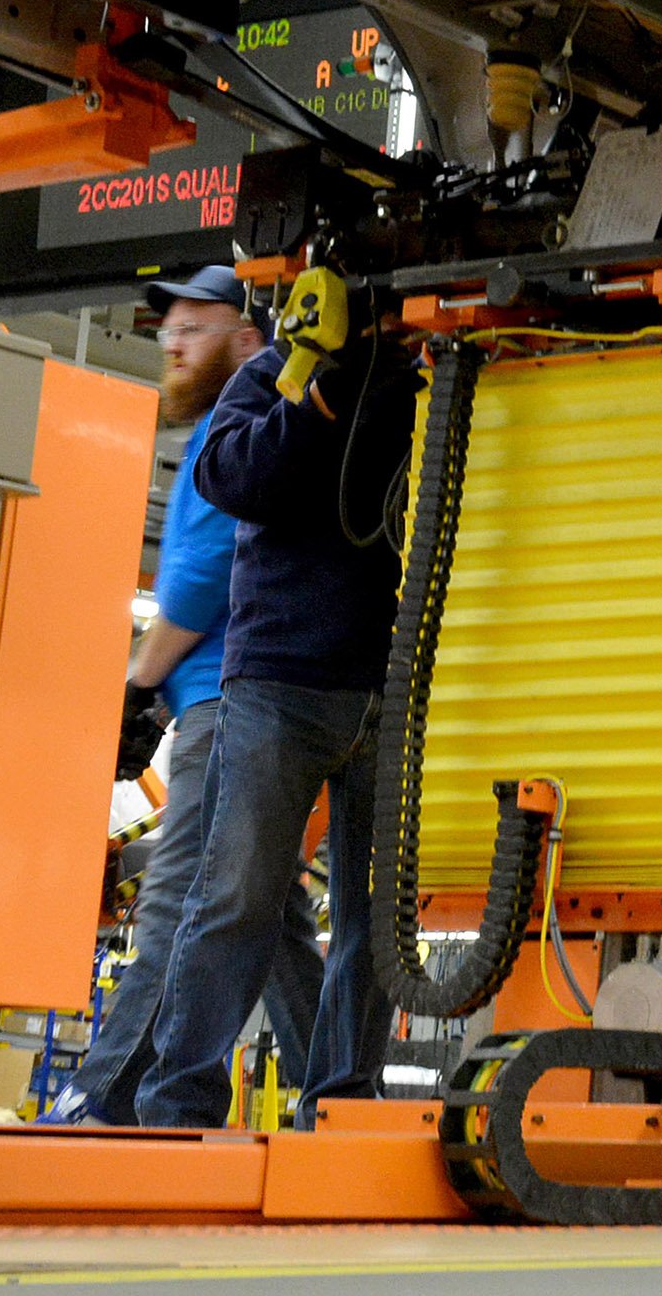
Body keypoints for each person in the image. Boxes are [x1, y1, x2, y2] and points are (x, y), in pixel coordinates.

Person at [47, 269, 323, 1126]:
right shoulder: (223, 436)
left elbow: (203, 586)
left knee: (181, 902)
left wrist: (134, 683)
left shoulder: (226, 444)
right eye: (167, 328)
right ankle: (346, 1092)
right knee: (274, 924)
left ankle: (103, 1100)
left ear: (249, 342)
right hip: (221, 709)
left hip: (220, 713)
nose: (172, 342)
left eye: (195, 329)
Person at [131, 314, 416, 1129]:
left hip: (387, 684)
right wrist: (318, 400)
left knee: (374, 920)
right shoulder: (274, 378)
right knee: (235, 898)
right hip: (279, 682)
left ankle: (341, 1106)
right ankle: (178, 1103)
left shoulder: (417, 385)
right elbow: (230, 475)